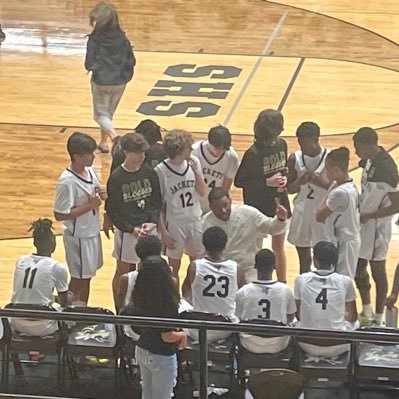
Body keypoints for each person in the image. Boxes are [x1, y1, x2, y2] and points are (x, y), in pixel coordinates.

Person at [105, 132, 162, 306]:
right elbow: (113, 211)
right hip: (128, 231)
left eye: (144, 152)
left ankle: (142, 305)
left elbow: (156, 201)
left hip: (148, 228)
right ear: (127, 153)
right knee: (122, 271)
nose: (142, 156)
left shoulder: (149, 172)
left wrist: (152, 221)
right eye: (139, 153)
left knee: (146, 269)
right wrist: (131, 229)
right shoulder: (116, 178)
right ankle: (119, 308)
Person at [235, 109, 289, 282]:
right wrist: (266, 182)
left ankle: (282, 284)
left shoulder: (282, 144)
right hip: (256, 205)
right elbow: (240, 181)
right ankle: (258, 282)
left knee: (278, 248)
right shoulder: (253, 153)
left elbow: (283, 169)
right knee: (255, 249)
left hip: (279, 202)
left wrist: (284, 179)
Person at [352, 127, 399, 326]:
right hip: (364, 223)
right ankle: (367, 310)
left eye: (357, 147)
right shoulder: (369, 161)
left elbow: (397, 204)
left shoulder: (387, 169)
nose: (355, 152)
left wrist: (370, 215)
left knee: (377, 269)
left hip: (377, 227)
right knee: (358, 268)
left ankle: (378, 318)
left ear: (368, 144)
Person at [54, 132, 105, 305]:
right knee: (78, 280)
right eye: (89, 154)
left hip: (91, 232)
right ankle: (70, 313)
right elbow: (59, 214)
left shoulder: (90, 171)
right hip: (78, 236)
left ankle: (82, 310)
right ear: (76, 156)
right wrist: (90, 206)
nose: (93, 157)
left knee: (87, 277)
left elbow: (95, 193)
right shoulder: (66, 182)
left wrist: (102, 193)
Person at [195, 187, 288, 282]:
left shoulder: (248, 212)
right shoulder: (202, 225)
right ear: (210, 207)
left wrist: (281, 219)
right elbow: (199, 254)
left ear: (230, 201)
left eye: (225, 205)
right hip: (219, 271)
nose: (223, 210)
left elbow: (271, 227)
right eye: (217, 208)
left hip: (249, 269)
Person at [127, 258, 186, 399]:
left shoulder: (139, 296)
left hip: (142, 349)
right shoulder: (167, 302)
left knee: (147, 394)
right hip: (161, 355)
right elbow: (166, 336)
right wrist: (182, 335)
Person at [155, 129, 207, 281]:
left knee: (197, 266)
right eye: (188, 147)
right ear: (179, 149)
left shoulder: (194, 162)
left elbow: (202, 192)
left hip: (195, 219)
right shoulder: (161, 171)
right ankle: (175, 301)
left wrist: (197, 172)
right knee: (173, 269)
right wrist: (163, 232)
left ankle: (193, 299)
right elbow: (157, 205)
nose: (191, 149)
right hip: (175, 223)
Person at [85, 2, 136, 153]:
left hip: (101, 81)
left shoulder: (95, 39)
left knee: (100, 115)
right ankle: (103, 142)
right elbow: (131, 60)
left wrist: (94, 68)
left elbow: (88, 62)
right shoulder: (122, 38)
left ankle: (115, 139)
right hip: (120, 81)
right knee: (108, 114)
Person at [10, 218, 73, 336]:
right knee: (73, 308)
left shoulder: (20, 261)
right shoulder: (57, 267)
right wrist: (69, 297)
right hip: (43, 326)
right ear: (53, 243)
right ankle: (68, 352)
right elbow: (64, 302)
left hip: (16, 322)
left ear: (34, 243)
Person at [294, 241, 358, 357]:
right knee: (357, 324)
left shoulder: (300, 279)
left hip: (307, 344)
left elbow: (298, 314)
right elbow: (353, 317)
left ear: (315, 260)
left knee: (294, 322)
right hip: (338, 345)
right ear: (335, 262)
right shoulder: (345, 281)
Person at [182, 226, 246, 341]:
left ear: (204, 245)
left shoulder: (194, 266)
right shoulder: (237, 268)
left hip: (200, 329)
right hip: (226, 329)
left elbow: (185, 293)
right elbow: (243, 297)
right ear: (225, 245)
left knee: (181, 304)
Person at [286, 122, 332, 274]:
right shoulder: (294, 158)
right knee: (304, 259)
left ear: (316, 138)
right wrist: (300, 181)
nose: (302, 146)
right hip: (301, 212)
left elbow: (339, 188)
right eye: (299, 142)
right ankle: (304, 288)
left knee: (323, 257)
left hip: (322, 214)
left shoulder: (329, 158)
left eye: (305, 143)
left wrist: (321, 183)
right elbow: (289, 189)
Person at [235, 249, 296, 354]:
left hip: (249, 343)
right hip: (277, 344)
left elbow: (238, 316)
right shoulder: (285, 290)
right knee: (294, 324)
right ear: (275, 267)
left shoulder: (243, 291)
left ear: (255, 266)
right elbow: (290, 317)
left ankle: (250, 368)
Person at [316, 147, 360, 279]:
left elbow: (319, 215)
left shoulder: (339, 193)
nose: (325, 172)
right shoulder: (351, 185)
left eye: (327, 168)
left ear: (336, 170)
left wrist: (329, 188)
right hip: (349, 238)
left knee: (342, 283)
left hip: (343, 242)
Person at [192, 125, 239, 213]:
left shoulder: (232, 157)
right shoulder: (194, 152)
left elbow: (226, 187)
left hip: (214, 203)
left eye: (223, 149)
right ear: (209, 141)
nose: (220, 152)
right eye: (217, 148)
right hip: (195, 202)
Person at [116, 235, 163, 313]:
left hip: (133, 322)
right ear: (159, 252)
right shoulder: (171, 279)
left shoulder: (126, 279)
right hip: (162, 323)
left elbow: (120, 306)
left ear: (138, 254)